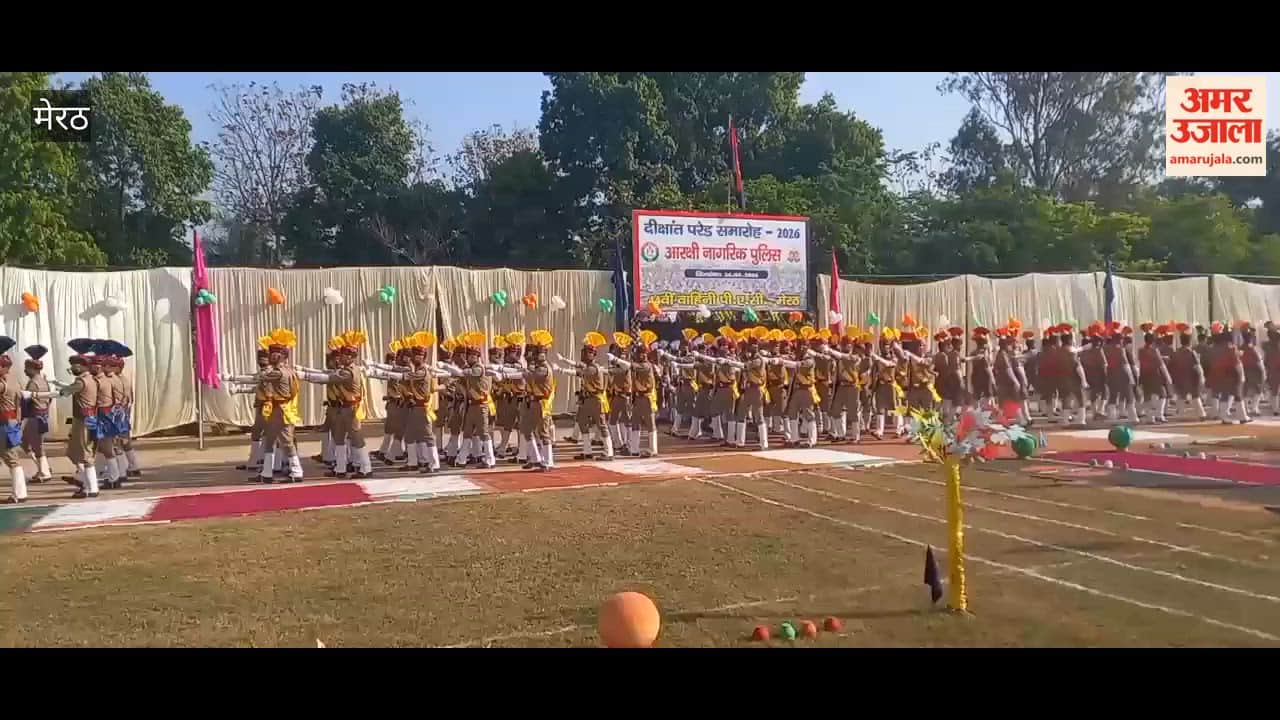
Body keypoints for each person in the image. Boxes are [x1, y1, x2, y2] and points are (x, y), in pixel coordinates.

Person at [297, 331, 373, 479]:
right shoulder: (345, 370)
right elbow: (326, 373)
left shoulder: (348, 372)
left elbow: (327, 378)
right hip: (341, 408)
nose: (340, 358)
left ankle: (365, 467)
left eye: (344, 355)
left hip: (350, 409)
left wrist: (304, 376)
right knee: (339, 438)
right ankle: (340, 468)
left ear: (350, 357)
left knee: (356, 438)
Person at [253, 329, 305, 483]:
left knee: (287, 442)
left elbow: (261, 377)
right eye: (272, 353)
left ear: (283, 355)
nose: (272, 356)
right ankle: (267, 473)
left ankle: (297, 471)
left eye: (276, 353)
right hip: (275, 409)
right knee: (270, 440)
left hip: (282, 410)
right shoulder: (284, 370)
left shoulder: (280, 372)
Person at [556, 332, 614, 460]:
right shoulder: (588, 366)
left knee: (601, 425)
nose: (584, 354)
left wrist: (561, 370)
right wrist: (564, 360)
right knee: (582, 423)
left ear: (593, 355)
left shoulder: (593, 368)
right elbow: (577, 365)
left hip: (595, 400)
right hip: (586, 400)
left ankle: (608, 452)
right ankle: (587, 451)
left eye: (587, 352)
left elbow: (577, 372)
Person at [608, 330, 661, 457]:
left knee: (650, 424)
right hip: (637, 398)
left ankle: (653, 449)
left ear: (645, 355)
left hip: (647, 398)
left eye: (641, 353)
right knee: (635, 423)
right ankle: (634, 449)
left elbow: (630, 366)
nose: (639, 355)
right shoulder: (639, 364)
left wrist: (616, 359)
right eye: (638, 353)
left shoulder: (646, 366)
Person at [20, 345, 53, 486]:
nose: (25, 371)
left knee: (37, 447)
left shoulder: (33, 383)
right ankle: (42, 468)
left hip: (34, 417)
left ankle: (44, 472)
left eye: (27, 368)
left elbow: (27, 402)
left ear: (32, 368)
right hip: (42, 416)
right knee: (27, 444)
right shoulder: (44, 380)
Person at [0, 336, 28, 504]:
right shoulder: (14, 380)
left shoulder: (3, 383)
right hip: (11, 421)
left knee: (11, 457)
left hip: (4, 423)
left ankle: (19, 493)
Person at [1170, 323, 1208, 420]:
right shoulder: (1191, 353)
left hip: (1179, 377)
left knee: (1181, 396)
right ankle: (1201, 414)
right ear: (1189, 342)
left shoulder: (1176, 352)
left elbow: (1172, 365)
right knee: (1195, 396)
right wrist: (1201, 377)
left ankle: (1181, 414)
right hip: (1191, 378)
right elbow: (1197, 366)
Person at [1137, 323, 1173, 423]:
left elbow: (1141, 364)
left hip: (1144, 375)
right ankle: (1159, 415)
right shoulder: (1155, 350)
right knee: (1163, 395)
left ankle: (1150, 417)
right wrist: (1168, 377)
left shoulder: (1140, 351)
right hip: (1155, 375)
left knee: (1147, 396)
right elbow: (1160, 365)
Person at [606, 335, 635, 454]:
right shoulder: (616, 364)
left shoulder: (625, 363)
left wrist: (614, 361)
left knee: (627, 421)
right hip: (616, 395)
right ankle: (618, 443)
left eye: (622, 351)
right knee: (612, 420)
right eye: (618, 351)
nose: (620, 353)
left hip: (625, 395)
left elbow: (623, 368)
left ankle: (628, 444)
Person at [1239, 323, 1266, 418]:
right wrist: (1263, 372)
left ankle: (1246, 408)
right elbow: (1259, 362)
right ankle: (1254, 408)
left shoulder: (1240, 348)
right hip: (1254, 371)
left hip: (1244, 370)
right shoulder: (1252, 350)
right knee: (1258, 390)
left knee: (1245, 390)